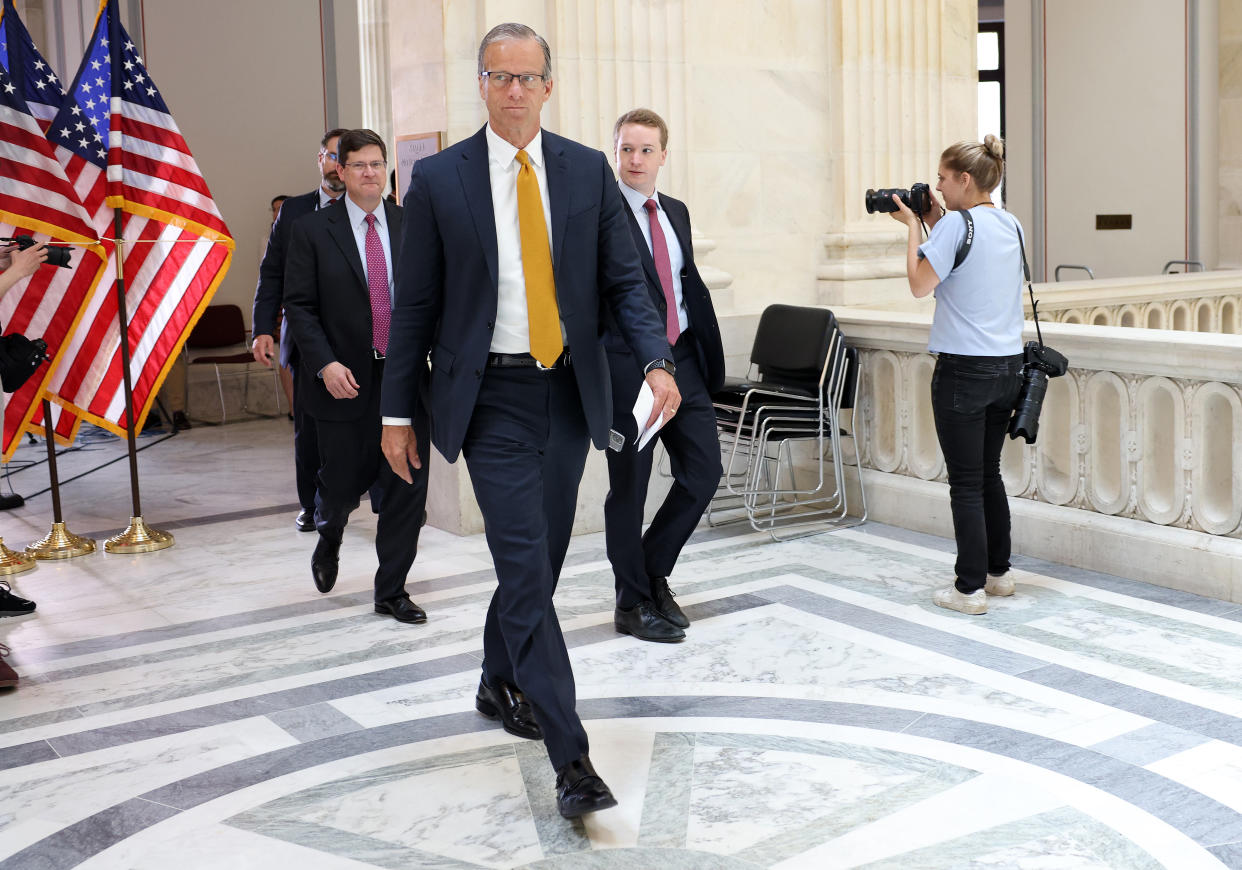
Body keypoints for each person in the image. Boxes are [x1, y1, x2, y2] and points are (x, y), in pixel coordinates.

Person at [379, 23, 678, 818]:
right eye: (499, 76)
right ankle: (572, 759)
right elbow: (414, 311)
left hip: (569, 395)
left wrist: (656, 360)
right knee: (523, 564)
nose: (514, 90)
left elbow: (626, 282)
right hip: (490, 401)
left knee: (537, 564)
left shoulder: (585, 171)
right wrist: (396, 412)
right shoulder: (440, 180)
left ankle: (493, 673)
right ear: (480, 84)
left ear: (550, 86)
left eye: (528, 77)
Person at [284, 128, 431, 624]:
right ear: (341, 172)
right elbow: (299, 307)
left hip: (405, 379)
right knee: (344, 483)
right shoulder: (311, 231)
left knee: (406, 488)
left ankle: (391, 590)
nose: (370, 173)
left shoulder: (412, 225)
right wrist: (324, 363)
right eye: (360, 165)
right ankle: (329, 530)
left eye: (377, 164)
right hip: (343, 380)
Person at [889, 135, 1025, 615]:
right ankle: (999, 574)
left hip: (964, 371)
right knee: (989, 475)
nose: (940, 189)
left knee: (965, 483)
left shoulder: (953, 228)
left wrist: (911, 227)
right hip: (1008, 368)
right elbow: (968, 256)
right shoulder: (1011, 224)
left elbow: (919, 285)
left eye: (945, 179)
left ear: (965, 179)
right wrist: (932, 222)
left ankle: (967, 591)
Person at [604, 109, 724, 643]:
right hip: (628, 369)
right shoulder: (600, 213)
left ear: (663, 156)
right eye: (627, 149)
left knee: (703, 472)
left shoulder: (674, 211)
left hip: (685, 361)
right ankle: (631, 603)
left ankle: (651, 570)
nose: (636, 160)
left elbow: (681, 283)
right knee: (628, 487)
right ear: (616, 153)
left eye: (646, 150)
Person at [252, 130, 347, 532]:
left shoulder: (370, 207)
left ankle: (382, 495)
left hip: (356, 333)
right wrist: (262, 327)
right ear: (320, 159)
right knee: (308, 427)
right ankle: (312, 504)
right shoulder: (293, 211)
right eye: (332, 156)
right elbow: (271, 271)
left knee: (371, 418)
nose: (338, 165)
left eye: (349, 157)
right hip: (304, 336)